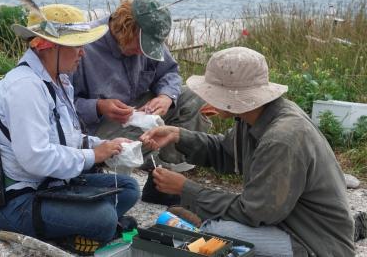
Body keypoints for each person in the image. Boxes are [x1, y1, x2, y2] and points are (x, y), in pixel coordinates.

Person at [140, 47, 355, 256]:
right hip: (289, 222)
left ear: (233, 97)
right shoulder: (256, 116)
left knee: (214, 235)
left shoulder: (281, 139)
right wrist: (179, 135)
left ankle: (206, 225)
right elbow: (225, 153)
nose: (207, 98)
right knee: (210, 229)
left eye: (212, 92)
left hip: (314, 243)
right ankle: (205, 221)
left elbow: (254, 212)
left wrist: (186, 189)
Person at [0, 4, 139, 255]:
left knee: (128, 188)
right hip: (18, 200)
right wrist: (93, 156)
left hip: (53, 185)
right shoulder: (25, 88)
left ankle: (73, 225)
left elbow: (68, 136)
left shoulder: (59, 81)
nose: (82, 53)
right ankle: (80, 229)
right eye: (76, 45)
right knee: (104, 217)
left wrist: (102, 145)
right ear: (48, 46)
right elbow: (35, 158)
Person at [72, 0, 212, 206]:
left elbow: (170, 73)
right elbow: (60, 104)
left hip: (136, 111)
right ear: (125, 27)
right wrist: (99, 106)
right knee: (143, 136)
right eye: (140, 46)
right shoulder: (84, 44)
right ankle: (108, 170)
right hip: (95, 125)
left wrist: (166, 96)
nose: (142, 53)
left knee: (194, 98)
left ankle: (163, 179)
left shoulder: (148, 37)